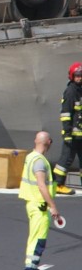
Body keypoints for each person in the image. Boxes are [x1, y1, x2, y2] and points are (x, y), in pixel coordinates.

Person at [19, 131, 59, 270]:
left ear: (36, 141)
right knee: (37, 243)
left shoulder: (31, 156)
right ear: (48, 142)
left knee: (35, 240)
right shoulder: (40, 162)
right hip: (39, 207)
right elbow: (42, 185)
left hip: (32, 204)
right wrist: (53, 206)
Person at [52, 62, 82, 195]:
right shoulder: (70, 91)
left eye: (81, 75)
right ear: (72, 76)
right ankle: (58, 184)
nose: (79, 78)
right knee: (66, 159)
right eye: (77, 76)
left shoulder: (80, 89)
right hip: (72, 134)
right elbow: (65, 114)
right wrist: (67, 133)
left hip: (80, 134)